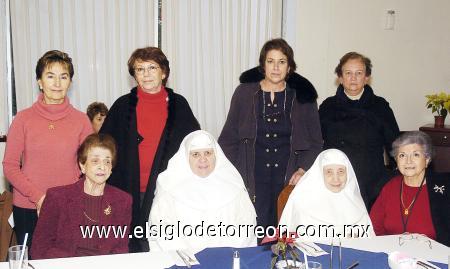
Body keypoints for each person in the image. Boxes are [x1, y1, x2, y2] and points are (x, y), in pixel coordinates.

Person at [100, 47, 200, 252]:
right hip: (127, 191)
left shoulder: (179, 105)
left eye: (152, 68)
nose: (146, 74)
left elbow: (195, 146)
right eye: (140, 69)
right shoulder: (121, 106)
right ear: (134, 74)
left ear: (163, 72)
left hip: (168, 192)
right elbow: (103, 147)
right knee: (127, 247)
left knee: (161, 246)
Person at [219, 38, 322, 229]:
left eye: (281, 62)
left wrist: (303, 169)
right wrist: (233, 174)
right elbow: (228, 139)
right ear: (263, 65)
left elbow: (316, 141)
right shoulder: (244, 93)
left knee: (285, 232)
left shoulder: (303, 98)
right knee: (252, 230)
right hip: (251, 175)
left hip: (289, 175)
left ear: (289, 67)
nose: (276, 67)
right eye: (270, 61)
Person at [2, 50, 93, 249]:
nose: (57, 83)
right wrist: (40, 197)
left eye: (64, 76)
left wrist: (63, 198)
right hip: (28, 206)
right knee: (34, 259)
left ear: (70, 82)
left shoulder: (81, 120)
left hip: (69, 206)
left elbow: (88, 166)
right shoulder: (23, 119)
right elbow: (10, 166)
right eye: (50, 76)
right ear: (40, 81)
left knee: (67, 259)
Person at [148, 130, 257, 252]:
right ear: (185, 157)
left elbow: (246, 226)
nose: (203, 159)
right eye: (195, 154)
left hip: (227, 259)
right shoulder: (169, 187)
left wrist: (222, 254)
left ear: (216, 155)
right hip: (182, 262)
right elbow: (162, 228)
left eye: (208, 153)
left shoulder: (234, 186)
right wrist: (190, 258)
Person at [319, 52, 400, 210]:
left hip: (372, 183)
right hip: (336, 182)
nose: (353, 78)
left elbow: (395, 145)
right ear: (340, 78)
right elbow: (316, 143)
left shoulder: (380, 106)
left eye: (359, 73)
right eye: (348, 73)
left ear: (367, 77)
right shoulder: (327, 106)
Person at [31, 134, 132, 258]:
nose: (102, 166)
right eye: (95, 161)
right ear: (82, 166)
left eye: (107, 161)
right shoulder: (57, 198)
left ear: (111, 168)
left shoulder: (123, 201)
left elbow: (121, 249)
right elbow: (39, 249)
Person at [370, 131, 450, 246]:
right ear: (396, 161)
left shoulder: (444, 187)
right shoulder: (389, 186)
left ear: (427, 160)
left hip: (434, 257)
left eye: (416, 154)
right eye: (402, 155)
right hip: (393, 255)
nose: (408, 161)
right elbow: (374, 227)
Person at [279, 149, 374, 241]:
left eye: (341, 171)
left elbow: (369, 241)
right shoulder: (303, 201)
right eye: (329, 172)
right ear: (319, 173)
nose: (336, 179)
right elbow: (299, 242)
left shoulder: (355, 201)